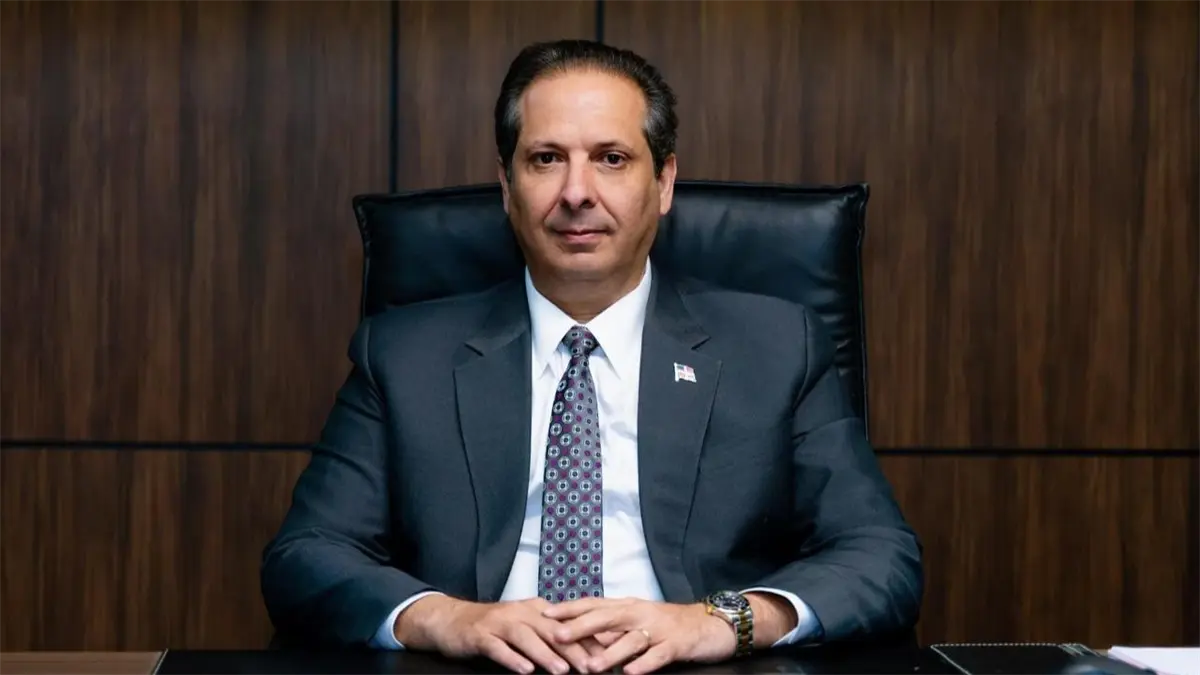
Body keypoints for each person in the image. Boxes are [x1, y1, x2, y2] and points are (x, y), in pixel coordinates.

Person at [261, 39, 922, 675]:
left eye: (611, 158)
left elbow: (880, 555)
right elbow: (306, 556)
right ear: (507, 185)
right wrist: (447, 619)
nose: (576, 192)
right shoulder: (404, 356)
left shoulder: (776, 348)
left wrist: (721, 621)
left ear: (663, 181)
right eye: (546, 158)